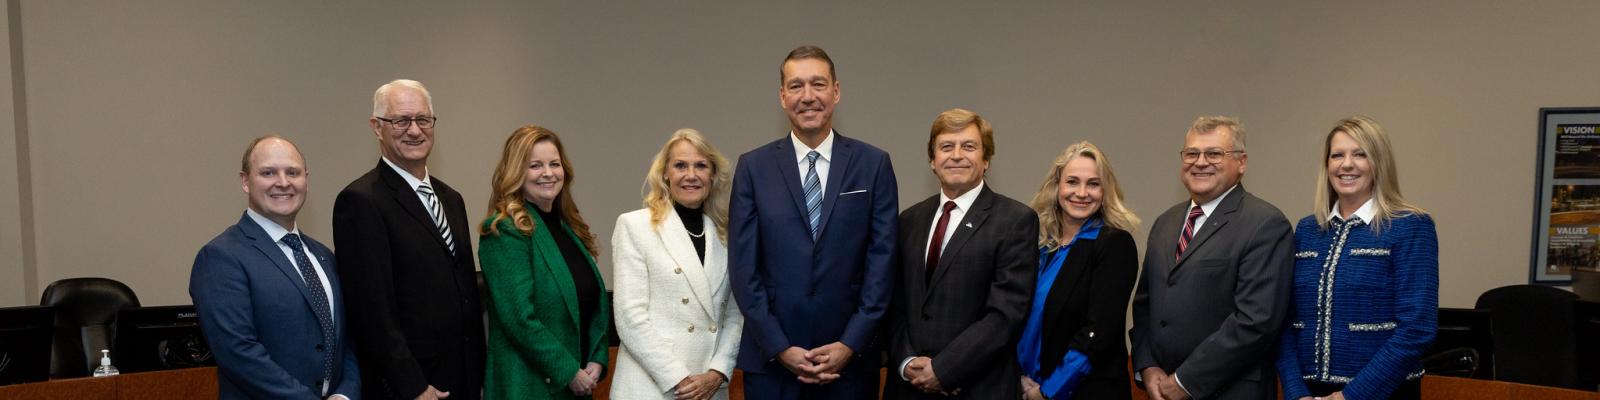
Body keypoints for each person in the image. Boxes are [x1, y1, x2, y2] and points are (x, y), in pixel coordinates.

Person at [729, 45, 898, 399]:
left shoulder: (873, 164)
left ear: (836, 91)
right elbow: (744, 270)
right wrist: (780, 347)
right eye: (796, 86)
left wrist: (850, 344)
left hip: (851, 365)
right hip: (773, 364)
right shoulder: (753, 168)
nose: (808, 97)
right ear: (782, 96)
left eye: (818, 84)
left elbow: (882, 263)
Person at [333, 79, 484, 400]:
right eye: (401, 120)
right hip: (412, 387)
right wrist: (412, 386)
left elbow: (465, 291)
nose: (414, 130)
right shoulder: (360, 201)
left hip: (465, 379)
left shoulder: (451, 198)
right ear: (377, 127)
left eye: (423, 120)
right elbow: (372, 310)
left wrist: (480, 375)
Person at [1129, 116, 1294, 400]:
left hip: (1231, 391)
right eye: (1191, 153)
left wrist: (1184, 381)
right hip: (1161, 387)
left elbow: (1256, 321)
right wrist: (1147, 365)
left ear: (1241, 162)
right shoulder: (1165, 223)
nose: (1200, 161)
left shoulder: (1265, 223)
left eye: (1214, 153)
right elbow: (1145, 304)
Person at [1276, 117, 1438, 400]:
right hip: (1309, 393)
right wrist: (1294, 391)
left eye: (1360, 154)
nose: (1346, 164)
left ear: (1379, 163)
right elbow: (1283, 321)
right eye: (1337, 155)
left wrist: (1349, 397)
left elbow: (1417, 329)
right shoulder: (1306, 230)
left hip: (1384, 392)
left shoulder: (1411, 225)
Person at [191, 135, 360, 399]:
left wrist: (346, 393)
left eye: (293, 172)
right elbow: (238, 352)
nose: (283, 182)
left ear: (306, 178)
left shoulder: (324, 256)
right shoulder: (220, 257)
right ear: (245, 181)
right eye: (268, 173)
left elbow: (348, 339)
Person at [884, 108, 1035, 399]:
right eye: (946, 147)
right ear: (932, 160)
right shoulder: (908, 220)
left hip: (978, 388)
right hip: (908, 388)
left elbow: (1005, 315)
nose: (956, 155)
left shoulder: (1015, 220)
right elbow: (894, 304)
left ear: (986, 159)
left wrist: (944, 369)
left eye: (968, 146)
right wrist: (906, 362)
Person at [478, 125, 610, 399]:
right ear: (516, 172)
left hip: (579, 382)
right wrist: (568, 372)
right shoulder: (504, 230)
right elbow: (519, 319)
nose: (548, 173)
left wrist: (598, 358)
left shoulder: (569, 228)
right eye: (535, 166)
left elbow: (590, 303)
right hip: (530, 385)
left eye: (554, 164)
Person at [610, 129, 744, 400]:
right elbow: (630, 318)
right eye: (680, 165)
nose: (691, 175)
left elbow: (735, 314)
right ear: (665, 174)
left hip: (709, 388)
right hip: (652, 386)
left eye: (701, 166)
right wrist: (679, 379)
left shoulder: (727, 235)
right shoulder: (635, 226)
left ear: (713, 176)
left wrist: (718, 372)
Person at [1018, 141, 1140, 400]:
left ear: (1105, 191)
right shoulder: (1040, 246)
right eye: (1072, 182)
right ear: (1057, 186)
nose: (1082, 192)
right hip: (1025, 385)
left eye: (1093, 184)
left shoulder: (1114, 244)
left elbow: (1098, 334)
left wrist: (1048, 391)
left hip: (1082, 391)